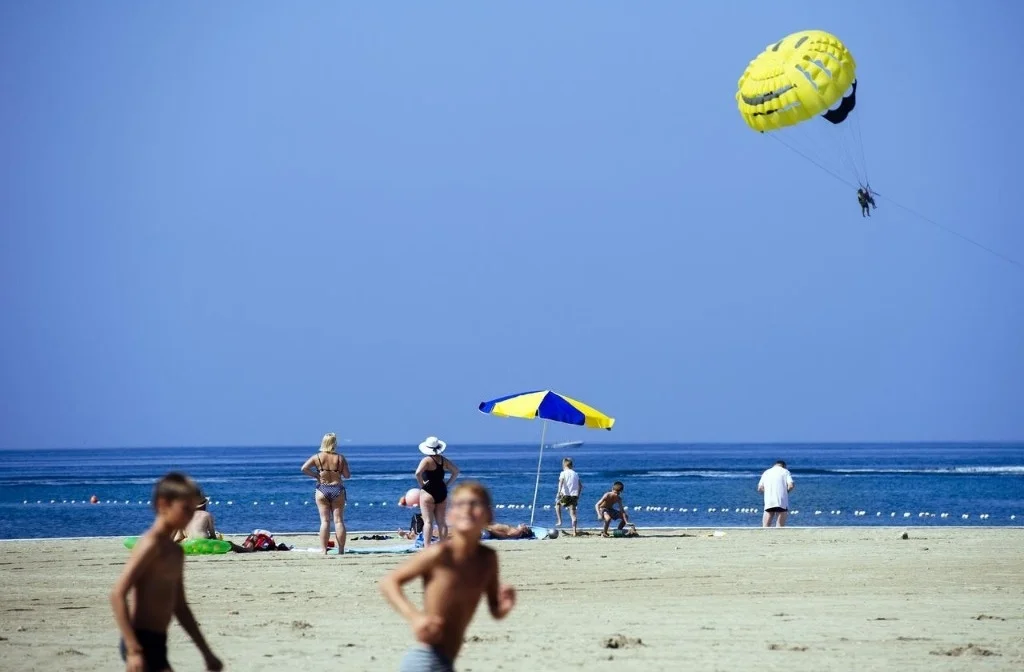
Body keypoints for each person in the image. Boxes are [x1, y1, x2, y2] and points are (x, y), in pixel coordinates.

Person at [379, 481, 516, 671]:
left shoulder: (488, 559)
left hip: (446, 661)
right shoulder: (439, 554)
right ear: (450, 515)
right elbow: (389, 582)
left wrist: (505, 606)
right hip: (426, 658)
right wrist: (415, 618)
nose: (467, 509)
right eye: (460, 504)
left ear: (489, 515)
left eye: (475, 504)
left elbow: (494, 609)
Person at [110, 472, 223, 672]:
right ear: (163, 505)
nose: (191, 515)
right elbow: (117, 595)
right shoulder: (149, 545)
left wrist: (206, 651)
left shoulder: (176, 552)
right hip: (138, 640)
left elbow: (180, 606)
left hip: (159, 640)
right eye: (185, 509)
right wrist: (133, 649)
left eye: (192, 509)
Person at [300, 432, 351, 555]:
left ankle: (323, 550)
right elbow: (347, 475)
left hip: (322, 489)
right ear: (334, 443)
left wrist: (316, 475)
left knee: (325, 521)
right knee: (338, 521)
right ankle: (341, 550)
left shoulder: (317, 457)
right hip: (337, 489)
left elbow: (304, 468)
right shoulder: (340, 458)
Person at [415, 436, 460, 549]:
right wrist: (447, 483)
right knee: (441, 522)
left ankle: (427, 547)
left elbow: (417, 473)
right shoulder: (443, 460)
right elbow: (456, 471)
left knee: (428, 522)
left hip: (428, 491)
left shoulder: (426, 460)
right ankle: (443, 546)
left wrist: (423, 485)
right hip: (441, 490)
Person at [172, 496, 250, 553]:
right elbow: (212, 534)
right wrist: (216, 539)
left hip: (189, 545)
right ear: (204, 505)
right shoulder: (206, 514)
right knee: (230, 544)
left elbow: (176, 538)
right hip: (204, 543)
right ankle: (247, 549)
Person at [758, 460, 795, 527]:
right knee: (780, 526)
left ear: (774, 465)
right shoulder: (785, 471)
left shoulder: (766, 472)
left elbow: (760, 488)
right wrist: (786, 492)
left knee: (765, 526)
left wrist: (767, 493)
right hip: (781, 501)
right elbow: (791, 485)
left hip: (769, 501)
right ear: (784, 466)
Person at [554, 457, 583, 536]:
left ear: (564, 465)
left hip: (565, 495)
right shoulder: (575, 474)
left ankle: (559, 521)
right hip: (574, 496)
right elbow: (580, 486)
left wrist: (558, 492)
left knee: (557, 504)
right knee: (573, 514)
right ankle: (574, 531)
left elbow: (561, 482)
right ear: (571, 465)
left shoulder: (563, 473)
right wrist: (578, 495)